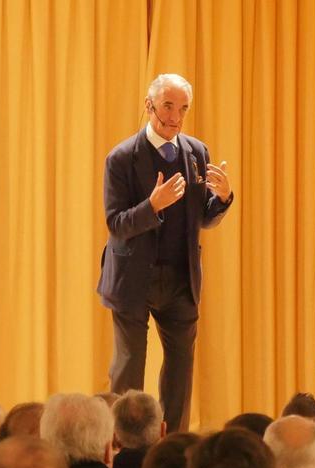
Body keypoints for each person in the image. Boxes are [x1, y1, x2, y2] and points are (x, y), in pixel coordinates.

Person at [98, 73, 234, 433]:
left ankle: (173, 444)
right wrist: (152, 206)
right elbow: (116, 223)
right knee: (128, 369)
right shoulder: (122, 158)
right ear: (149, 106)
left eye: (183, 109)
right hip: (133, 278)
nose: (175, 117)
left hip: (179, 277)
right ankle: (125, 446)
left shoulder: (196, 152)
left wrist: (222, 199)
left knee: (179, 371)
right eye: (168, 107)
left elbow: (202, 218)